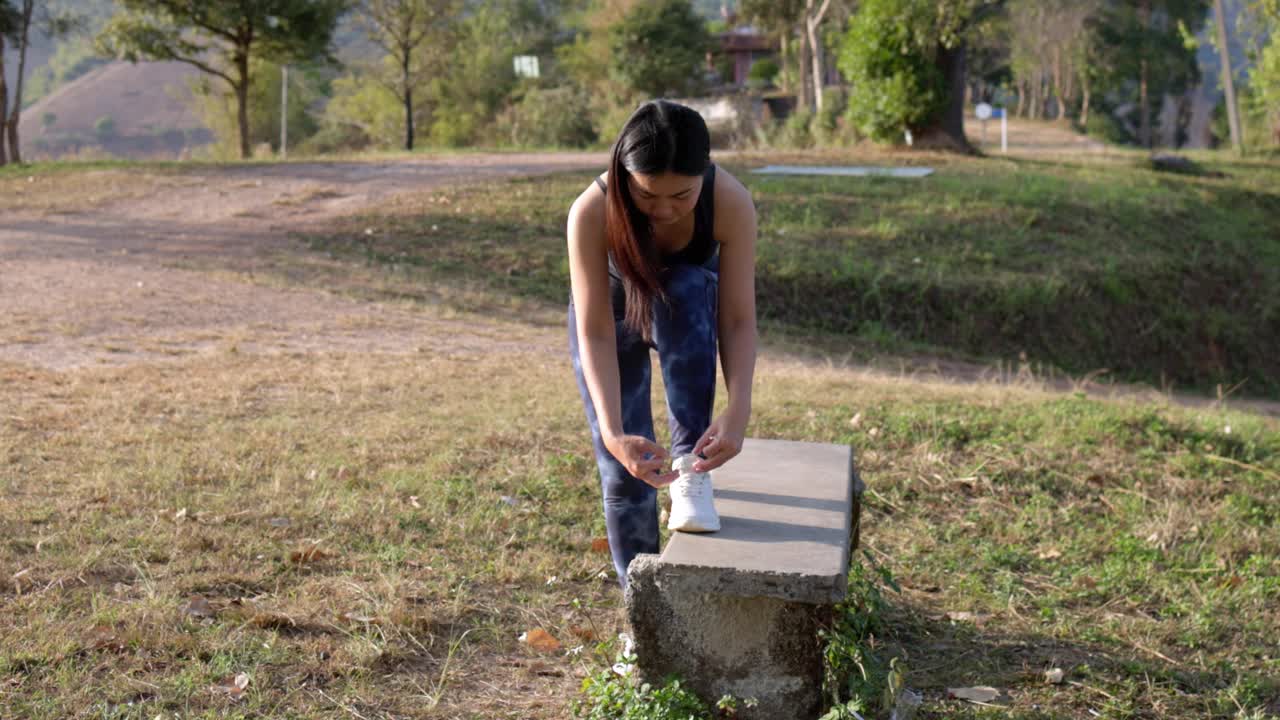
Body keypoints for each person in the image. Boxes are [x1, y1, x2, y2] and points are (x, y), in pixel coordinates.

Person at [566, 100, 758, 588]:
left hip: (686, 314)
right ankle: (643, 616)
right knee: (623, 475)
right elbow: (594, 330)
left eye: (682, 194)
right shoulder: (591, 211)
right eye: (649, 196)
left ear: (706, 172)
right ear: (625, 174)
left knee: (686, 288)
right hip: (610, 318)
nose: (665, 210)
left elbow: (736, 319)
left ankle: (691, 468)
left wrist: (738, 411)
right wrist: (613, 433)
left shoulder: (730, 202)